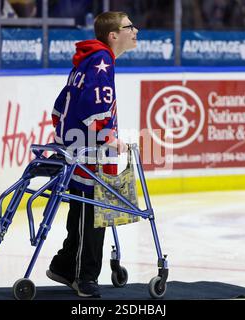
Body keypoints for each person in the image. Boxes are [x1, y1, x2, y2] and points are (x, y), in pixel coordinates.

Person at [47, 11, 138, 298]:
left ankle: (64, 265)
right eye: (128, 27)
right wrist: (107, 136)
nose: (135, 30)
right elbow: (93, 102)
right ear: (113, 35)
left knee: (82, 208)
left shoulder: (89, 59)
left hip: (78, 147)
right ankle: (85, 276)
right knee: (94, 212)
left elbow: (60, 105)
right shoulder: (101, 60)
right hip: (88, 150)